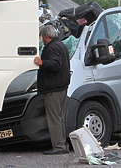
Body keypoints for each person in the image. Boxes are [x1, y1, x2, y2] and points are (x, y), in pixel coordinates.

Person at [34, 25, 71, 155]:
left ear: (46, 36)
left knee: (54, 118)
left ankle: (58, 146)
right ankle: (63, 144)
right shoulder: (61, 45)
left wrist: (42, 62)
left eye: (42, 36)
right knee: (59, 118)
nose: (42, 39)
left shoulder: (52, 47)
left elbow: (55, 64)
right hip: (61, 87)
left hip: (53, 89)